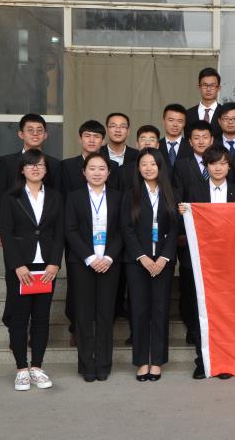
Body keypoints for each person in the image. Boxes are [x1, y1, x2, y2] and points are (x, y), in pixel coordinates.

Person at [177, 143, 235, 380]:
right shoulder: (193, 192)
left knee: (227, 312)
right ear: (206, 166)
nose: (218, 168)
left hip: (229, 263)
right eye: (213, 163)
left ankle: (226, 361)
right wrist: (183, 213)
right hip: (201, 262)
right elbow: (183, 225)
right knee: (201, 312)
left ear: (229, 167)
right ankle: (202, 361)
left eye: (223, 163)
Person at [0, 149, 64, 391]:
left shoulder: (56, 196)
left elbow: (59, 232)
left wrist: (55, 262)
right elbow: (7, 233)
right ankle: (21, 369)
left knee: (41, 318)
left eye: (40, 165)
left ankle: (37, 367)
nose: (35, 168)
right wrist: (17, 264)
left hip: (46, 266)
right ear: (22, 169)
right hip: (21, 267)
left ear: (46, 170)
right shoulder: (11, 196)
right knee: (19, 318)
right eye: (30, 164)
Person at [121, 148, 179, 382]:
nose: (148, 168)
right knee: (139, 311)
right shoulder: (130, 194)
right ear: (138, 167)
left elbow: (175, 228)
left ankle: (157, 361)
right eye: (143, 164)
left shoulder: (171, 193)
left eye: (152, 164)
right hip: (138, 262)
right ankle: (141, 361)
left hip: (163, 262)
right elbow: (126, 228)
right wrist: (142, 257)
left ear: (160, 167)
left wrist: (163, 258)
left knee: (160, 310)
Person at [61, 120, 121, 344]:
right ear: (80, 138)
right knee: (77, 290)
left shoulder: (111, 167)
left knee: (106, 297)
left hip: (107, 244)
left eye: (97, 136)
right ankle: (76, 327)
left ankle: (103, 335)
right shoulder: (66, 166)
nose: (92, 140)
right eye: (87, 136)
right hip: (78, 240)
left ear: (103, 140)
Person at [64, 153, 123, 382]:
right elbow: (70, 230)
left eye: (101, 169)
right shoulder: (74, 197)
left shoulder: (118, 196)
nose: (97, 173)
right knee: (84, 315)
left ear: (108, 172)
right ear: (84, 172)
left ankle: (103, 364)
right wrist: (89, 257)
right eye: (92, 168)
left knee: (106, 315)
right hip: (82, 263)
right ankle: (87, 365)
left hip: (110, 263)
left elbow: (122, 230)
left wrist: (108, 257)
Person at [172, 120, 216, 350]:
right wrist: (182, 231)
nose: (201, 141)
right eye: (196, 138)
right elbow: (177, 199)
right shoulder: (181, 165)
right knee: (189, 283)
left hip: (217, 238)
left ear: (212, 140)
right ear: (189, 141)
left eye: (205, 137)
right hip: (189, 236)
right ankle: (192, 327)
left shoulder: (221, 162)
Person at [0, 114, 61, 249]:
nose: (35, 134)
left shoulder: (55, 164)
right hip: (15, 229)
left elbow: (57, 198)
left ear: (45, 135)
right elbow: (0, 196)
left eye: (39, 130)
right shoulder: (7, 162)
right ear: (21, 134)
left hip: (45, 231)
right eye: (30, 130)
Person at [100, 112, 138, 322]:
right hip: (104, 222)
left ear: (128, 130)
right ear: (107, 129)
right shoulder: (97, 155)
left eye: (122, 126)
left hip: (133, 221)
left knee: (127, 267)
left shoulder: (137, 156)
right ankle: (109, 311)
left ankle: (125, 310)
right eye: (113, 125)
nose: (118, 129)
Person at [187, 67, 223, 137]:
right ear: (199, 87)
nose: (208, 89)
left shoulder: (225, 114)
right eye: (205, 85)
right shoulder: (188, 114)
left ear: (219, 88)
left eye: (212, 85)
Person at [159, 103, 193, 176]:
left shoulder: (192, 146)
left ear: (184, 123)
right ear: (163, 120)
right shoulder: (156, 146)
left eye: (180, 121)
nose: (175, 125)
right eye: (171, 120)